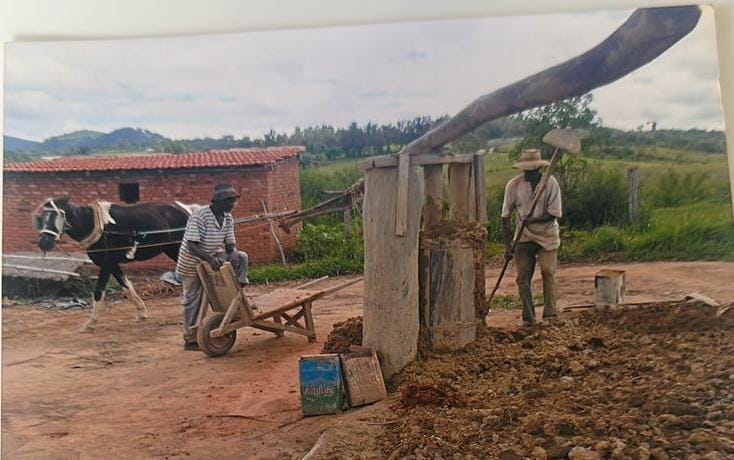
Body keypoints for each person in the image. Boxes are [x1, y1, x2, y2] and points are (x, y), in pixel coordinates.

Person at [175, 184, 250, 350]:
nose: (233, 206)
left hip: (212, 257)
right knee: (192, 301)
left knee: (241, 257)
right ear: (220, 202)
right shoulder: (200, 216)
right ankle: (191, 339)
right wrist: (210, 259)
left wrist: (233, 257)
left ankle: (238, 290)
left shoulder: (227, 218)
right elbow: (192, 245)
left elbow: (230, 245)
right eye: (231, 202)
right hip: (192, 262)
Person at [501, 149, 562, 327]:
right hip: (524, 236)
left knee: (547, 272)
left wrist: (533, 220)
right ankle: (528, 318)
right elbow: (505, 217)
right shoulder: (513, 185)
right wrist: (508, 246)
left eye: (531, 171)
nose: (528, 174)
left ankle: (550, 315)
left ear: (538, 170)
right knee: (522, 277)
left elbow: (554, 214)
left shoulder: (550, 184)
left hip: (547, 235)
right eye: (525, 170)